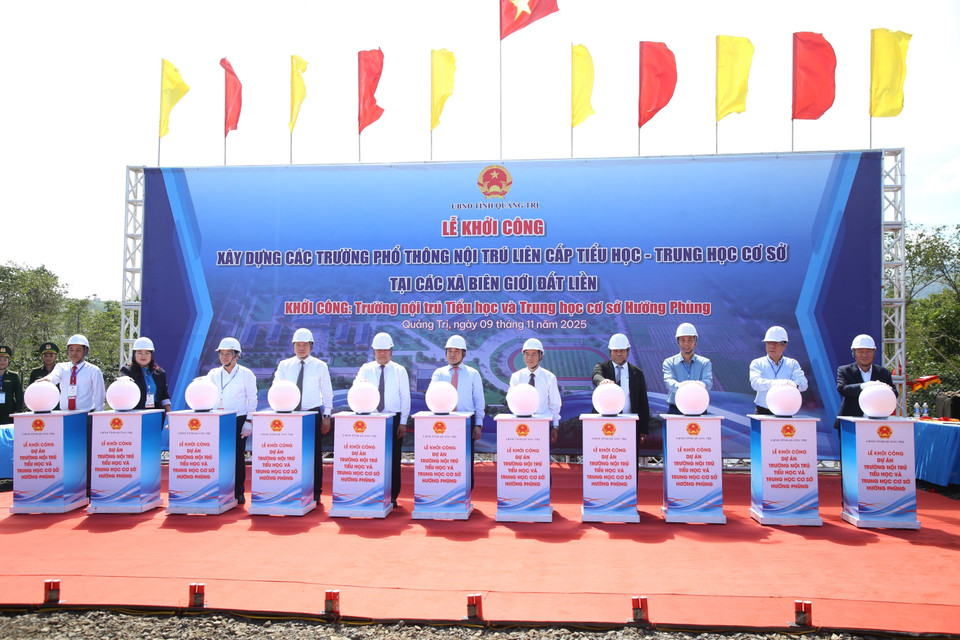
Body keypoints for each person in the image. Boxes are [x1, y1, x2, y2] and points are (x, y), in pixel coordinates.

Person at [39, 334, 105, 495]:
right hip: (65, 417)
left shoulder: (93, 370)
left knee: (86, 453)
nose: (74, 353)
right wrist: (46, 381)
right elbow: (53, 377)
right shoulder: (62, 367)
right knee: (66, 453)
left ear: (85, 351)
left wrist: (98, 417)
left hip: (85, 416)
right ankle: (66, 487)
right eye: (71, 350)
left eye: (78, 350)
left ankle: (88, 487)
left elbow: (99, 395)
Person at [273, 327, 333, 502]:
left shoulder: (320, 366)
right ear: (293, 346)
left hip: (311, 414)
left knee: (313, 454)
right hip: (289, 414)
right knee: (289, 454)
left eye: (305, 345)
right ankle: (291, 489)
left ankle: (315, 491)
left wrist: (326, 416)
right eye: (298, 345)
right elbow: (277, 387)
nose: (301, 348)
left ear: (311, 346)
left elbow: (327, 392)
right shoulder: (284, 365)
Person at [354, 332, 410, 507]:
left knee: (393, 459)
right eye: (378, 350)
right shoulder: (365, 369)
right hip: (371, 420)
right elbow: (357, 389)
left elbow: (405, 397)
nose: (382, 354)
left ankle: (392, 495)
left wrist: (403, 422)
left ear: (391, 351)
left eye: (385, 350)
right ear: (374, 351)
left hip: (393, 419)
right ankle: (372, 493)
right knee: (371, 459)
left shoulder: (400, 370)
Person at [207, 337, 258, 504]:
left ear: (237, 355)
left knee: (237, 457)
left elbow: (253, 399)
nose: (224, 357)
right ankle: (219, 490)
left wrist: (249, 421)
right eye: (222, 353)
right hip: (217, 419)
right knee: (217, 456)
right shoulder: (213, 374)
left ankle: (239, 492)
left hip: (238, 419)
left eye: (229, 353)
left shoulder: (246, 374)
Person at [431, 335, 485, 488]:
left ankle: (466, 491)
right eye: (449, 351)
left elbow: (479, 400)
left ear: (464, 353)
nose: (452, 354)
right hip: (444, 423)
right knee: (445, 459)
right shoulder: (439, 374)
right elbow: (432, 396)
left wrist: (478, 425)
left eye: (456, 351)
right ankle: (445, 488)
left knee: (465, 459)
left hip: (467, 423)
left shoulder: (473, 373)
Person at [592, 333, 650, 448]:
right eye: (615, 351)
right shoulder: (602, 367)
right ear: (610, 352)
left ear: (627, 351)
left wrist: (644, 428)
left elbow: (643, 402)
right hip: (605, 425)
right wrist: (602, 381)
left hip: (630, 424)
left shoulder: (637, 372)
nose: (619, 353)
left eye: (622, 350)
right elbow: (596, 376)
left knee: (629, 459)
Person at [835, 334, 897, 428]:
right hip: (850, 423)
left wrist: (885, 390)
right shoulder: (845, 370)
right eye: (860, 351)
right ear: (854, 353)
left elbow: (895, 393)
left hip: (877, 423)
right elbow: (842, 389)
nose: (864, 355)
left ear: (874, 352)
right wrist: (864, 386)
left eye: (868, 351)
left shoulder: (884, 373)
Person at [509, 338, 561, 443]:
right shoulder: (516, 377)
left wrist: (555, 426)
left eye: (534, 354)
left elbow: (555, 403)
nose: (530, 358)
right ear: (523, 356)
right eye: (527, 354)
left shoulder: (549, 377)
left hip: (542, 425)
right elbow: (511, 401)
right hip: (521, 426)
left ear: (541, 355)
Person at [749, 326, 808, 415]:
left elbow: (803, 384)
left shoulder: (792, 364)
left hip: (786, 411)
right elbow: (756, 384)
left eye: (775, 343)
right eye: (769, 343)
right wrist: (777, 383)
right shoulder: (757, 363)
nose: (771, 346)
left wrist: (794, 385)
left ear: (784, 345)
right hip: (763, 412)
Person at [662, 323, 713, 415]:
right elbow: (668, 381)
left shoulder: (705, 362)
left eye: (690, 340)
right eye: (682, 340)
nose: (686, 344)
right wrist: (680, 387)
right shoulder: (669, 362)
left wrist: (701, 385)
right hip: (675, 410)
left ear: (695, 341)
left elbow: (708, 382)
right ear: (677, 341)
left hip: (699, 409)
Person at [119, 337, 171, 412]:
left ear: (151, 355)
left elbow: (164, 396)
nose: (143, 356)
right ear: (134, 355)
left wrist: (170, 417)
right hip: (135, 414)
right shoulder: (127, 372)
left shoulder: (160, 373)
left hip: (155, 414)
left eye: (147, 353)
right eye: (139, 353)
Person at [0, 345, 24, 424]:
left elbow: (19, 395)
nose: (2, 362)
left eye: (5, 359)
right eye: (0, 359)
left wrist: (17, 411)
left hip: (9, 412)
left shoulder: (13, 376)